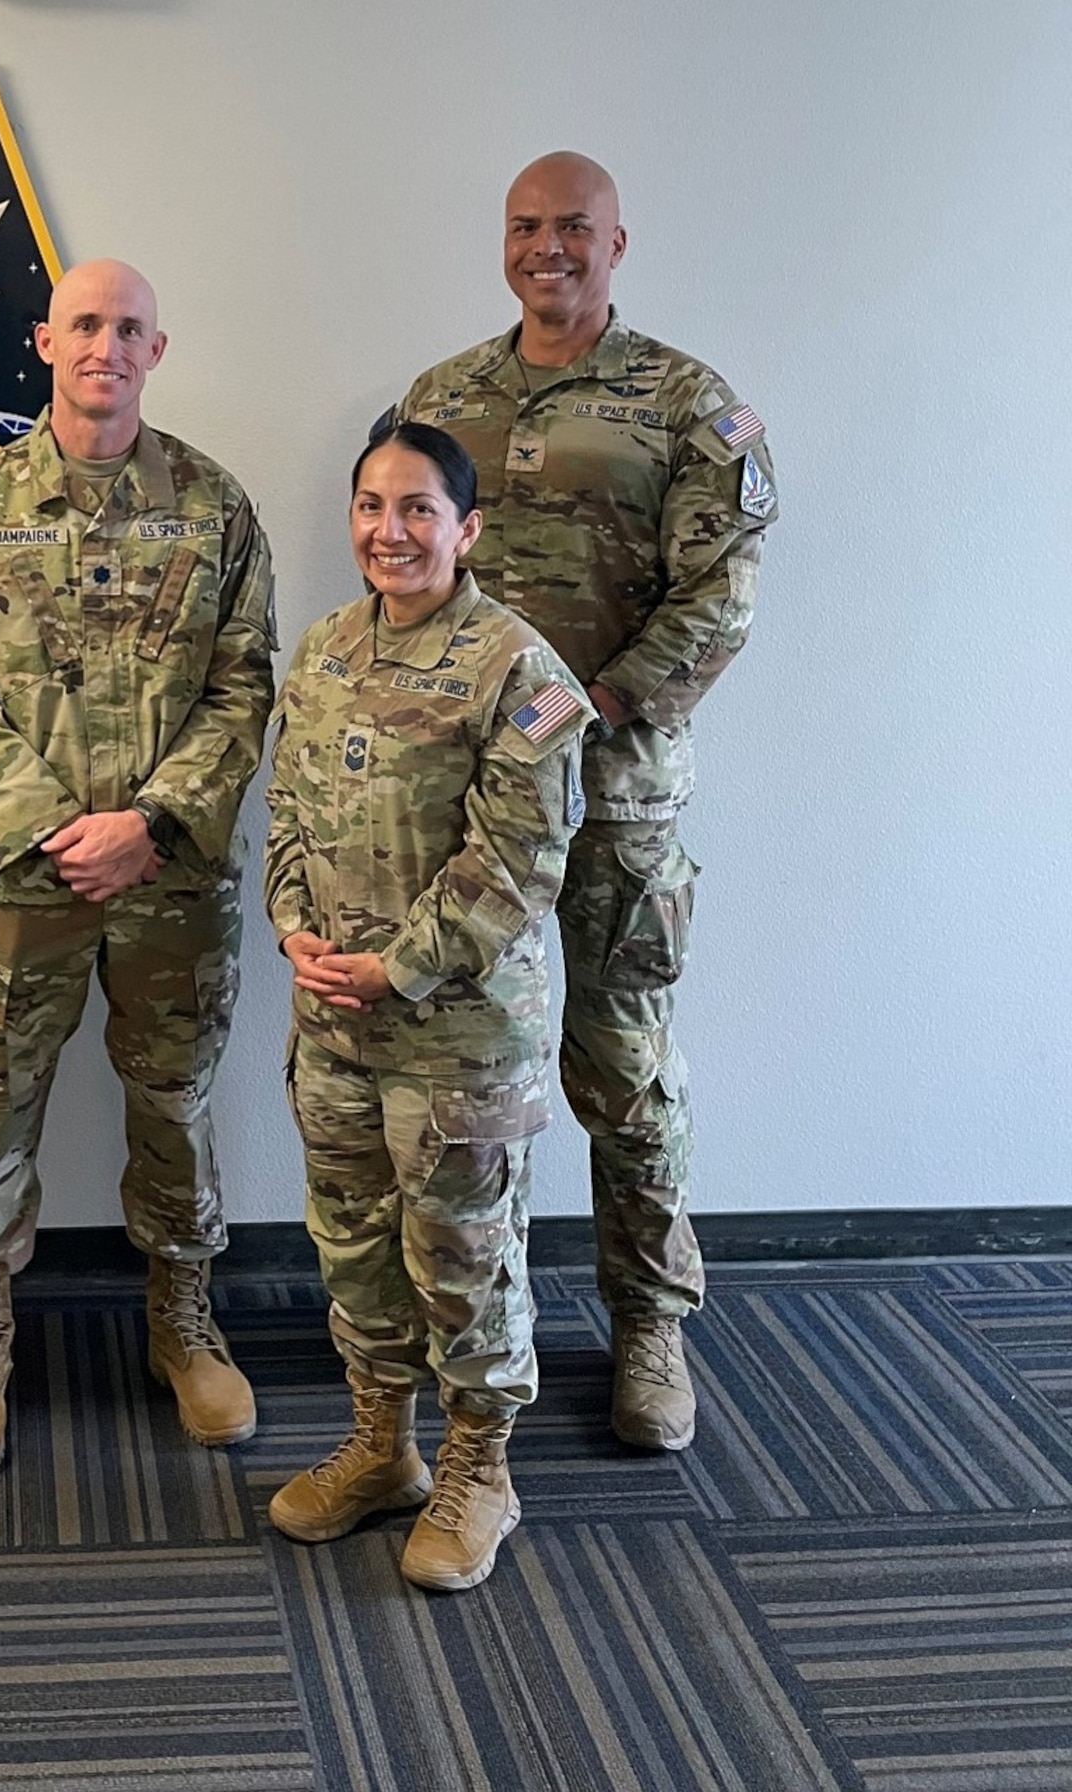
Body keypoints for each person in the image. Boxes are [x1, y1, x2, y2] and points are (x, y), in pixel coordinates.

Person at [391, 152, 780, 1450]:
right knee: (471, 1071)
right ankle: (469, 1322)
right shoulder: (446, 396)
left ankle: (652, 1327)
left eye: (572, 228)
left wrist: (594, 707)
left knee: (623, 1069)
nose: (546, 247)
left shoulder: (689, 403)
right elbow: (410, 571)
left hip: (614, 800)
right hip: (469, 808)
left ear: (618, 242)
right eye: (524, 227)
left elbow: (718, 597)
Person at [0, 259, 276, 1474]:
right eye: (85, 326)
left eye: (129, 328)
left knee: (172, 1102)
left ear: (155, 353)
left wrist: (150, 824)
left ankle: (181, 1312)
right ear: (42, 342)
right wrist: (56, 825)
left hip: (168, 880)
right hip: (19, 883)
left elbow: (243, 683)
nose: (105, 345)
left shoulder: (214, 505)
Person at [264, 421, 591, 1592]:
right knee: (352, 1246)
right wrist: (291, 923)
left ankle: (477, 1470)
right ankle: (381, 1446)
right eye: (368, 506)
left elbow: (517, 860)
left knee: (460, 1257)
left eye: (415, 510)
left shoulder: (520, 671)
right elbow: (289, 814)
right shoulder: (323, 649)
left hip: (456, 1038)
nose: (387, 531)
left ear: (466, 529)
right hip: (334, 1025)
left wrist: (396, 965)